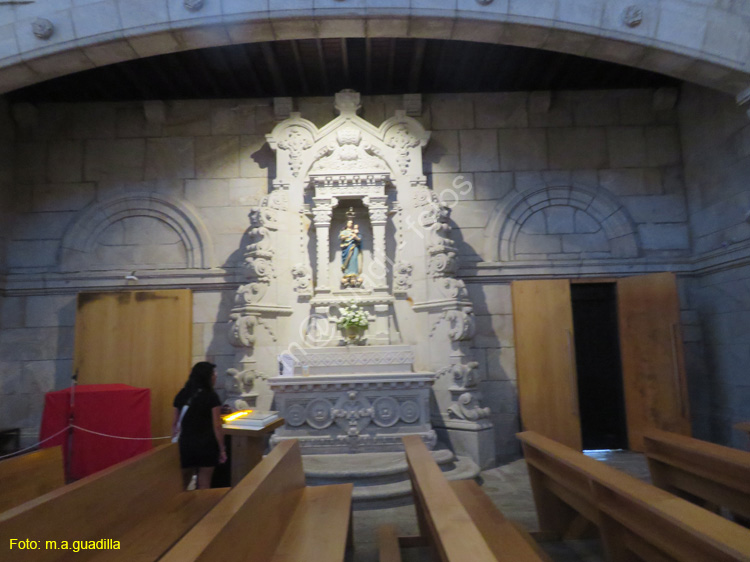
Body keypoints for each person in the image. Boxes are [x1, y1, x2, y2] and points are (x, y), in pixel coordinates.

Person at [172, 361, 227, 489]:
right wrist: (222, 448)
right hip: (206, 444)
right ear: (207, 376)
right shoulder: (211, 396)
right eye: (213, 373)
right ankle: (203, 509)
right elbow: (217, 425)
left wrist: (174, 443)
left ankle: (181, 508)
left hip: (186, 443)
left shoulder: (182, 394)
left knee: (182, 484)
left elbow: (175, 423)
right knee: (204, 483)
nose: (216, 375)